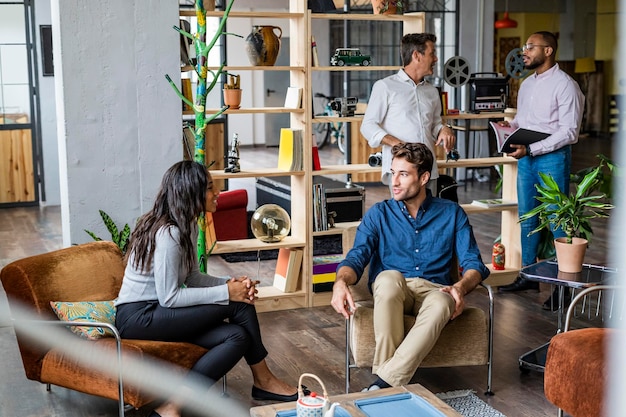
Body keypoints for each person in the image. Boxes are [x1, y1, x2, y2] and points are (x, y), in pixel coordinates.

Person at [115, 161, 298, 417]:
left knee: (237, 336)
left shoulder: (185, 224)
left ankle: (172, 406)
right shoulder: (168, 234)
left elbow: (191, 276)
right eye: (210, 187)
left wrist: (230, 283)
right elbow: (170, 298)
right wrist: (228, 293)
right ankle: (264, 380)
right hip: (138, 317)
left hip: (159, 313)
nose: (218, 192)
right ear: (192, 192)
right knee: (237, 303)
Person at [330, 143, 490, 390]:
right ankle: (388, 383)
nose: (394, 181)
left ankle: (384, 384)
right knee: (387, 279)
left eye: (403, 174)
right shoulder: (379, 214)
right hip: (395, 289)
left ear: (424, 177)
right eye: (392, 172)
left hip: (434, 289)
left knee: (443, 301)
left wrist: (460, 287)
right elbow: (356, 257)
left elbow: (473, 264)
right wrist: (340, 282)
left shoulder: (452, 213)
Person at [498, 31, 584, 311]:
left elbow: (569, 132)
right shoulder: (526, 85)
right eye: (525, 47)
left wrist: (533, 150)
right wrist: (506, 130)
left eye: (530, 47)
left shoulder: (566, 85)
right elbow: (523, 120)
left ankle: (564, 288)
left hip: (553, 158)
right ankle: (528, 275)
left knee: (557, 221)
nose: (524, 51)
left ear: (548, 51)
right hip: (527, 158)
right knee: (528, 218)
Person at [360, 33, 456, 196]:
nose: (436, 59)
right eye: (432, 53)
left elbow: (434, 125)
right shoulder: (385, 87)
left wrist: (443, 129)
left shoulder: (432, 91)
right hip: (400, 170)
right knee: (404, 220)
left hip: (428, 169)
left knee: (429, 219)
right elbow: (367, 126)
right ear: (417, 55)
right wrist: (399, 145)